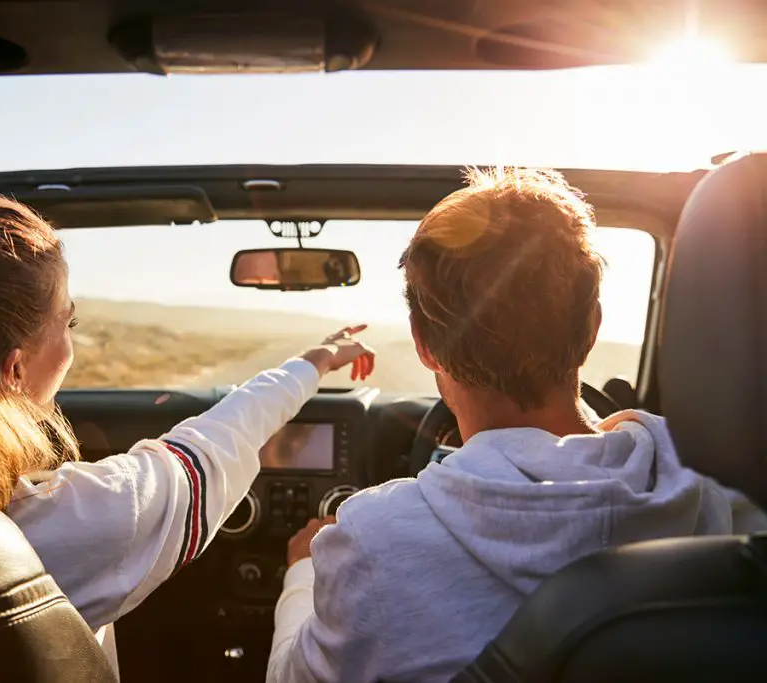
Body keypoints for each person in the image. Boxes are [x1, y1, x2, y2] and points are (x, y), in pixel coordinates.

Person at [0, 138, 377, 677]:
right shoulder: (69, 525)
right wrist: (314, 362)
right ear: (14, 370)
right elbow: (215, 443)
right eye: (69, 323)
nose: (70, 342)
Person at [267, 167, 767, 682]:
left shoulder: (371, 540)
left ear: (423, 344)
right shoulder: (722, 489)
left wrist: (303, 573)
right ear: (592, 325)